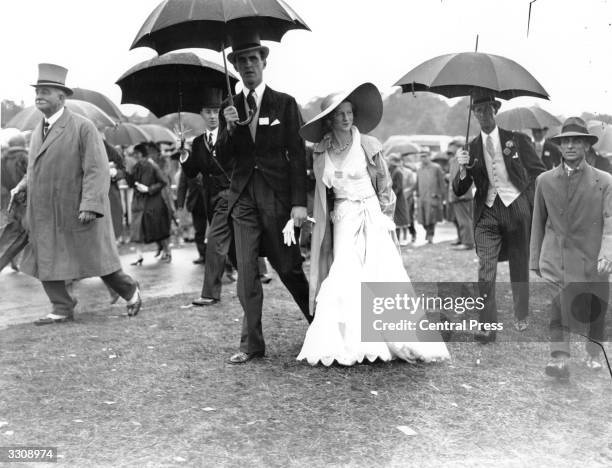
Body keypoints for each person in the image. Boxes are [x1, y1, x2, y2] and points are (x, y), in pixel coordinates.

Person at [297, 82, 450, 366]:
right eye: (340, 114)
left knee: (382, 271)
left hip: (371, 212)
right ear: (329, 119)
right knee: (344, 271)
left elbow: (385, 186)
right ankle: (349, 340)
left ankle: (396, 337)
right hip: (342, 217)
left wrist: (384, 217)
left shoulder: (368, 145)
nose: (346, 118)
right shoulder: (320, 153)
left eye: (349, 112)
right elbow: (321, 192)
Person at [10, 63, 141, 323]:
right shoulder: (37, 131)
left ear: (62, 96)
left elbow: (97, 168)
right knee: (44, 258)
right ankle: (61, 307)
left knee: (96, 259)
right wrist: (22, 185)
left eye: (46, 91)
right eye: (38, 91)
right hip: (44, 210)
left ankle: (130, 290)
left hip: (77, 208)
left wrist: (90, 204)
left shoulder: (83, 127)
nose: (40, 95)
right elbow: (34, 168)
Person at [217, 32, 311, 363]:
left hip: (277, 198)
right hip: (243, 198)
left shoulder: (284, 103)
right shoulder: (229, 107)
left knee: (288, 267)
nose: (247, 66)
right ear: (236, 67)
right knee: (246, 271)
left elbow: (298, 156)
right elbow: (222, 158)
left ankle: (320, 324)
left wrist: (299, 202)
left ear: (264, 62)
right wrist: (228, 130)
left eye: (253, 59)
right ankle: (251, 344)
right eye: (241, 61)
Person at [453, 93, 546, 343]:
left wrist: (528, 201)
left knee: (519, 264)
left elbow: (540, 173)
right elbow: (459, 189)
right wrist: (462, 169)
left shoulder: (516, 140)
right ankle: (487, 325)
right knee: (485, 267)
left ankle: (521, 313)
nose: (483, 114)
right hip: (487, 212)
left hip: (516, 209)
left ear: (496, 109)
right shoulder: (469, 148)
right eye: (478, 110)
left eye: (487, 109)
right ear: (473, 114)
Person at [530, 117, 612, 379]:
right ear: (559, 146)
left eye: (577, 140)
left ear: (587, 146)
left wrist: (606, 253)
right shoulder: (544, 181)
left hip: (593, 257)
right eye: (566, 141)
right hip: (557, 258)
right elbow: (538, 223)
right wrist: (535, 259)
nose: (571, 146)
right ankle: (560, 360)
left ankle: (592, 352)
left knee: (595, 308)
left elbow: (610, 222)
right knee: (559, 306)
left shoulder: (605, 181)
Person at [180, 90, 239, 306]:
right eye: (208, 112)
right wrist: (184, 152)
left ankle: (210, 293)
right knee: (232, 243)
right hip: (211, 200)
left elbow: (238, 151)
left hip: (232, 196)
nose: (213, 116)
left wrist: (233, 128)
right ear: (202, 114)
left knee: (214, 242)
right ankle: (255, 275)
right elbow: (191, 172)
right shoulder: (197, 143)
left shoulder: (230, 134)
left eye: (216, 112)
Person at [128, 142, 172, 264]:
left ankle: (167, 252)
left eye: (136, 153)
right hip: (139, 203)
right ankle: (139, 257)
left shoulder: (152, 166)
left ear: (141, 153)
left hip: (154, 203)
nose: (134, 155)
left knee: (159, 229)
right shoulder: (135, 167)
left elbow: (164, 181)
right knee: (137, 230)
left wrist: (149, 189)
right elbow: (131, 182)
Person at [447, 139, 474, 250]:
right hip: (454, 194)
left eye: (453, 146)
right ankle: (461, 238)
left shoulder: (464, 159)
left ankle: (468, 243)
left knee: (464, 220)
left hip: (462, 195)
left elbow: (466, 177)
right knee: (457, 219)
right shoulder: (454, 160)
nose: (450, 149)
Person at [176, 171, 208, 264]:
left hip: (211, 200)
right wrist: (180, 204)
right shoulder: (187, 166)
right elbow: (182, 186)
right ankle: (202, 254)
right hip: (196, 203)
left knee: (213, 230)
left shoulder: (208, 159)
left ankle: (215, 255)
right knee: (199, 230)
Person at [416, 149, 446, 243]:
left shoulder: (436, 167)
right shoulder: (419, 169)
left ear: (429, 156)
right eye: (421, 156)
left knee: (432, 217)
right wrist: (417, 193)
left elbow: (442, 182)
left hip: (433, 196)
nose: (423, 158)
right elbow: (417, 182)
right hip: (422, 196)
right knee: (423, 218)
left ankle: (430, 235)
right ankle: (427, 232)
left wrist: (442, 196)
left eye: (425, 156)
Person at [386, 153, 411, 245]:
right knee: (394, 219)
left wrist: (392, 196)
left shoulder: (398, 171)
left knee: (398, 220)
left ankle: (399, 240)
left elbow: (399, 187)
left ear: (393, 161)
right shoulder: (391, 170)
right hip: (393, 198)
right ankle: (395, 240)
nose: (388, 161)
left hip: (398, 199)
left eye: (389, 160)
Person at [400, 153, 418, 243]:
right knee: (399, 218)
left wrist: (406, 192)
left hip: (408, 198)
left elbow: (413, 185)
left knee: (409, 217)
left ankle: (413, 234)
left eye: (400, 161)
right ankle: (402, 237)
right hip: (398, 198)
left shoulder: (408, 172)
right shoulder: (392, 172)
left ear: (402, 162)